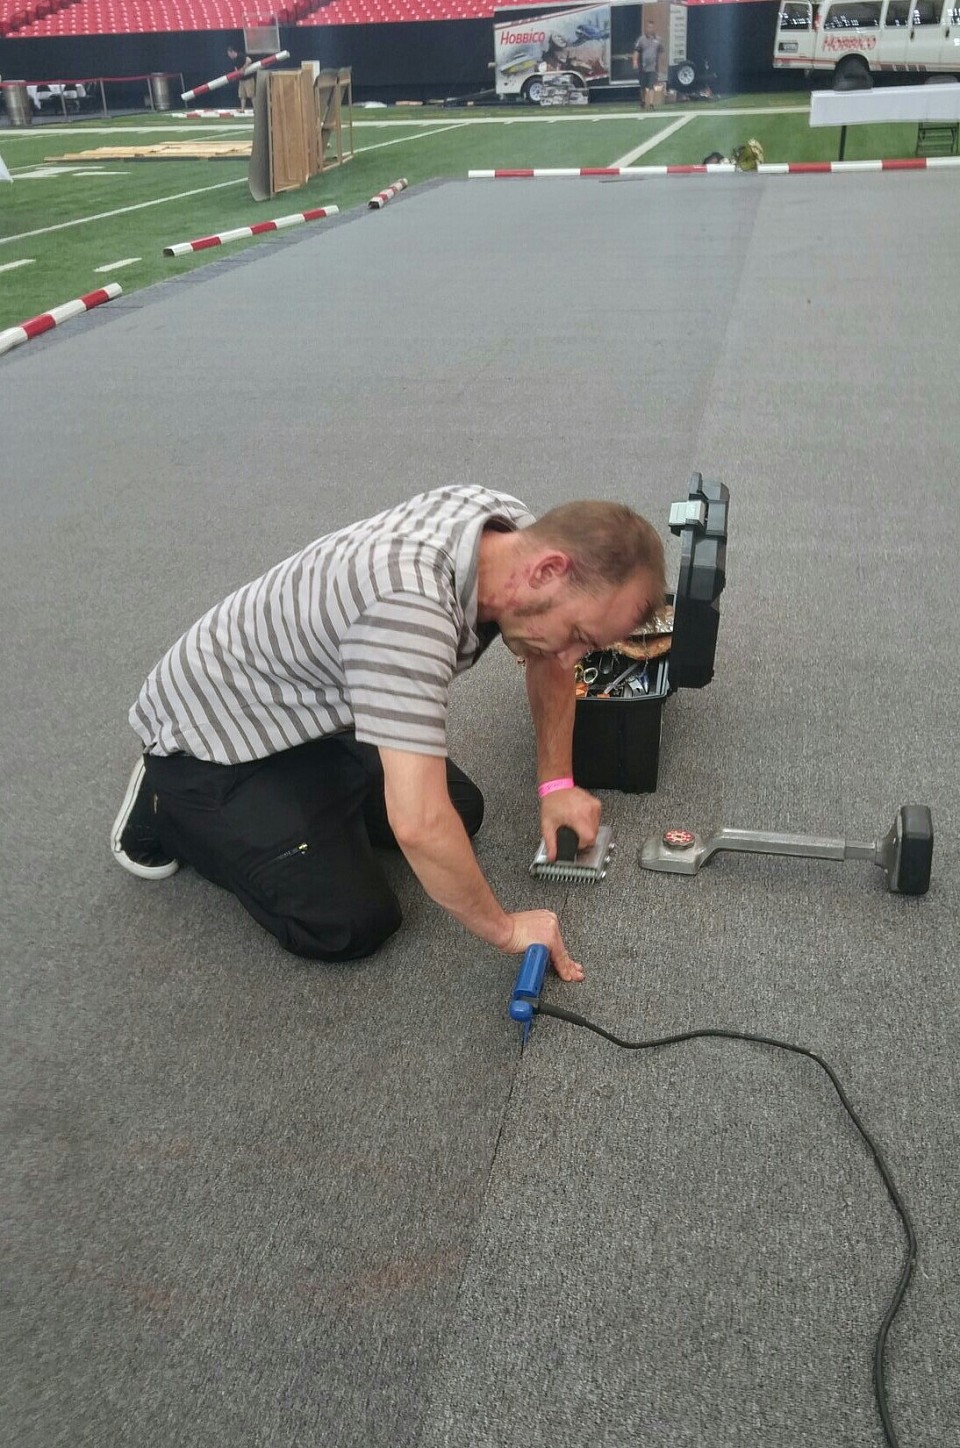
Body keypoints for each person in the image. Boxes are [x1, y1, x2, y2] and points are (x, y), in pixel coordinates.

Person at [111, 486, 665, 983]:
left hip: (308, 706)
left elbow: (549, 662)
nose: (572, 658)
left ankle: (297, 813)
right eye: (577, 636)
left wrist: (557, 785)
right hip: (210, 738)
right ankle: (164, 808)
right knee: (352, 920)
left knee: (461, 810)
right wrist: (506, 930)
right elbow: (419, 827)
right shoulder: (408, 610)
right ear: (548, 569)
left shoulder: (509, 531)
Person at [633, 21, 663, 111]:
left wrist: (661, 64)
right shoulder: (641, 40)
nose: (650, 29)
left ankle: (651, 104)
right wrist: (635, 61)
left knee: (651, 85)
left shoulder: (658, 40)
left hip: (653, 67)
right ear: (646, 28)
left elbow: (660, 52)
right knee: (643, 87)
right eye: (649, 27)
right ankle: (643, 101)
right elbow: (636, 51)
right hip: (643, 66)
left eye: (652, 27)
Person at [226, 43, 255, 113]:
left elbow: (249, 60)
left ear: (232, 52)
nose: (229, 56)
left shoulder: (240, 56)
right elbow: (236, 70)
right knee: (242, 95)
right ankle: (242, 109)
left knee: (251, 95)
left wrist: (243, 68)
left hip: (248, 79)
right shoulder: (234, 60)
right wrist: (235, 76)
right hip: (241, 80)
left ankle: (256, 109)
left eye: (229, 54)